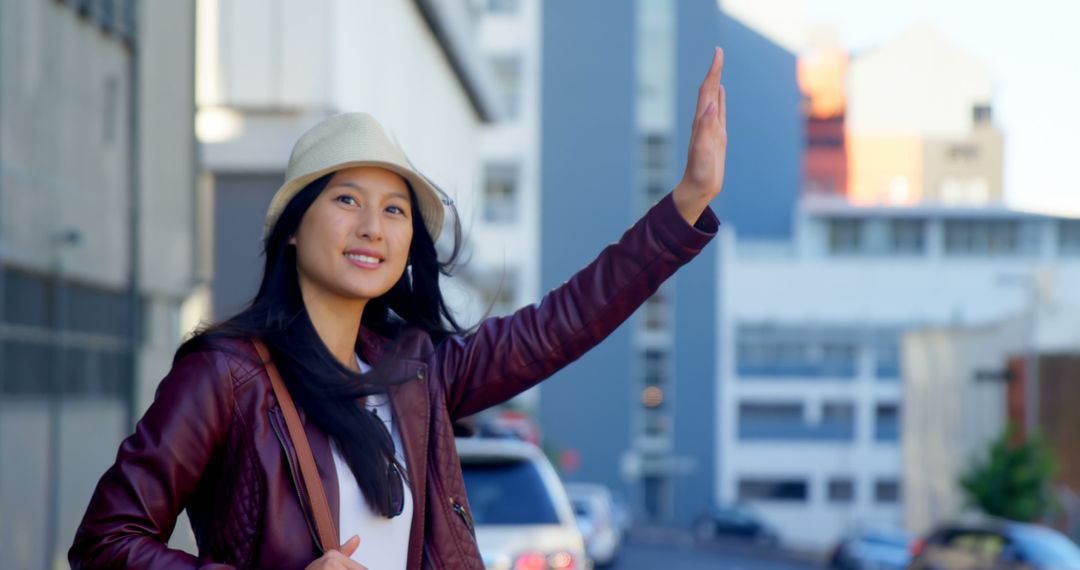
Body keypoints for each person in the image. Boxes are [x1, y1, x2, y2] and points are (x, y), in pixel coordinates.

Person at [69, 47, 729, 570]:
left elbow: (560, 324)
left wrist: (687, 203)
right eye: (347, 200)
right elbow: (105, 541)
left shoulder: (418, 372)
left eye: (394, 210)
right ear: (294, 228)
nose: (373, 228)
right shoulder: (225, 375)